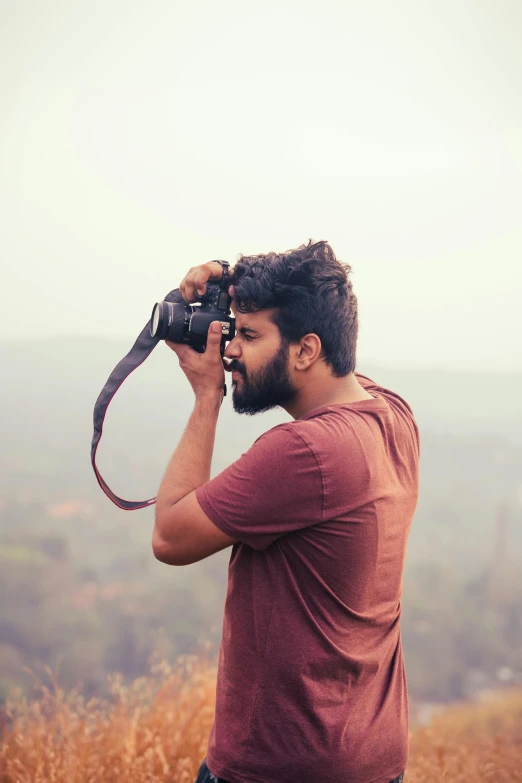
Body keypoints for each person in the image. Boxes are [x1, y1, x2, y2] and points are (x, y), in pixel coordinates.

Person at [152, 240, 419, 783]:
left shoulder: (305, 451)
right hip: (371, 756)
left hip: (280, 767)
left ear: (305, 350)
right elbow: (319, 295)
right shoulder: (392, 415)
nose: (229, 351)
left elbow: (171, 537)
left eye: (248, 336)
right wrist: (233, 276)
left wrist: (206, 396)